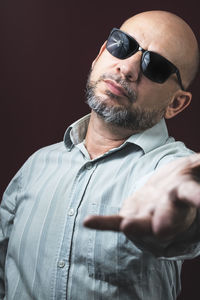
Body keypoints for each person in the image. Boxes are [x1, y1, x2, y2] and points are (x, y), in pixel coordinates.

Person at [0, 10, 199, 300]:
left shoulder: (174, 168)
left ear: (176, 103)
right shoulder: (36, 166)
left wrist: (180, 216)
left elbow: (187, 207)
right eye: (123, 45)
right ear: (100, 55)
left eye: (155, 66)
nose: (127, 68)